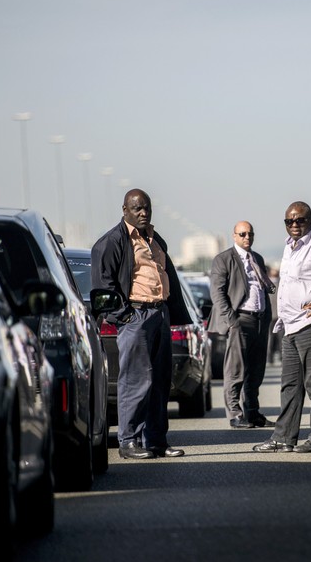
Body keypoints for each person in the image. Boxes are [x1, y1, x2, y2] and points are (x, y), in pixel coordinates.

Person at [91, 188, 189, 459]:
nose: (143, 212)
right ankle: (129, 441)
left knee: (159, 382)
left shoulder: (154, 240)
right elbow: (104, 285)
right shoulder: (111, 242)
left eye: (146, 208)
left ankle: (156, 441)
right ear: (125, 210)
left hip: (159, 314)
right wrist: (126, 316)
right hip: (136, 316)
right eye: (137, 208)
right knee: (135, 382)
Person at [253, 201, 311, 454]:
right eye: (289, 221)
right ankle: (283, 437)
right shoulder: (290, 247)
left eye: (300, 220)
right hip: (291, 326)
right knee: (290, 386)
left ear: (310, 221)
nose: (294, 225)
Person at [207, 221, 276, 429]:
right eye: (243, 234)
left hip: (260, 319)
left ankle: (252, 412)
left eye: (250, 234)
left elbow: (262, 287)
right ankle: (235, 414)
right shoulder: (224, 259)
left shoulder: (257, 258)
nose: (247, 237)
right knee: (235, 369)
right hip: (240, 319)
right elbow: (217, 292)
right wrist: (231, 320)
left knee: (256, 369)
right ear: (234, 236)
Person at [266, 266, 283, 364]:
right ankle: (281, 357)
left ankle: (269, 358)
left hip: (270, 315)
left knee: (270, 338)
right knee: (281, 338)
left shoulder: (267, 286)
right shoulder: (281, 285)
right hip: (279, 315)